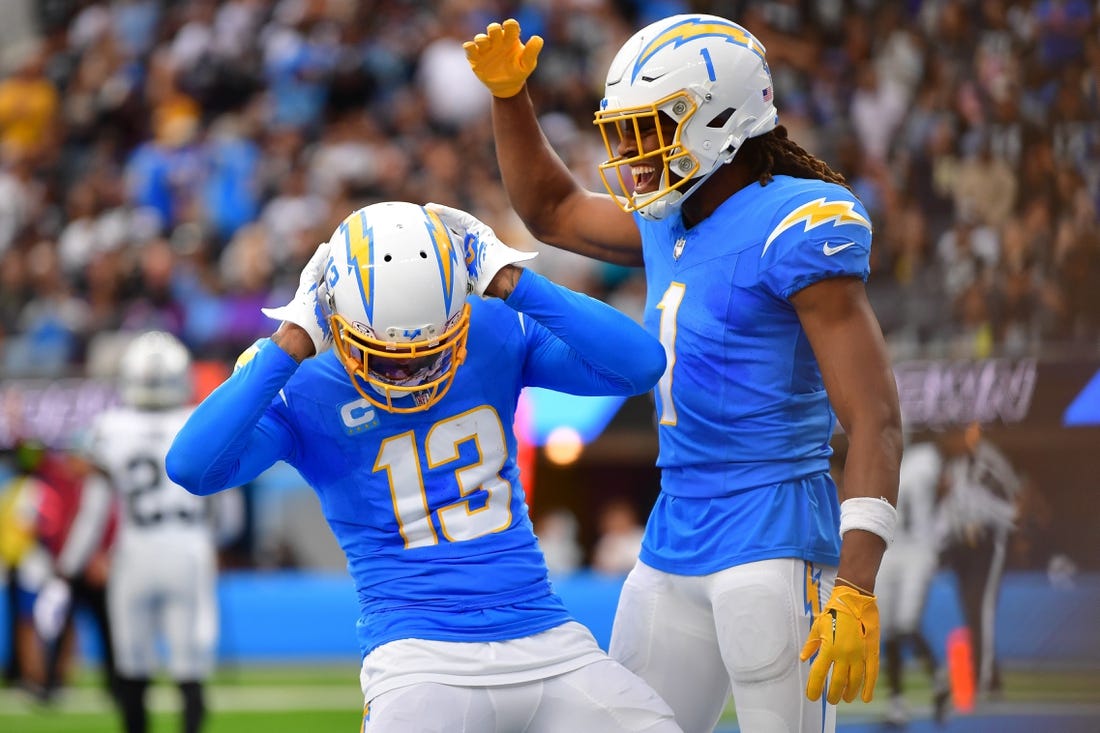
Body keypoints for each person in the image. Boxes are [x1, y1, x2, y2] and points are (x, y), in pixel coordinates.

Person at [463, 14, 904, 733]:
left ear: (720, 121)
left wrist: (856, 583)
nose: (634, 151)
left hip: (774, 538)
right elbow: (551, 208)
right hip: (672, 540)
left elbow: (875, 418)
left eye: (651, 127)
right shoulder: (670, 214)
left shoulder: (795, 222)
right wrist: (511, 97)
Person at [166, 201, 683, 733]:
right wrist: (288, 344)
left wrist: (515, 282)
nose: (412, 368)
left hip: (544, 631)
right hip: (418, 655)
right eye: (385, 353)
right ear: (335, 318)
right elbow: (191, 468)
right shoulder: (303, 379)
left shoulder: (490, 327)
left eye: (431, 348)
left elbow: (641, 365)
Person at [34, 330, 235, 733]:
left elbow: (93, 512)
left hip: (135, 552)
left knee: (132, 664)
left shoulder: (110, 427)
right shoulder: (198, 418)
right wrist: (217, 538)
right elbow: (228, 509)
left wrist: (67, 570)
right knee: (189, 666)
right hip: (188, 547)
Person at [936, 423, 1021, 701]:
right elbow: (950, 508)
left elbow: (1016, 499)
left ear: (969, 433)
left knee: (982, 611)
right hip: (961, 547)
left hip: (988, 543)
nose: (950, 442)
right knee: (972, 612)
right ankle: (990, 677)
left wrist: (991, 521)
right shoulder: (955, 466)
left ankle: (983, 681)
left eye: (954, 434)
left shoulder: (990, 460)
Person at [875, 440, 950, 725]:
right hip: (890, 549)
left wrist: (938, 530)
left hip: (917, 549)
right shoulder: (881, 455)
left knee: (906, 623)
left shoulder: (925, 456)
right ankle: (897, 702)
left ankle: (940, 679)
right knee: (890, 629)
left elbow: (944, 486)